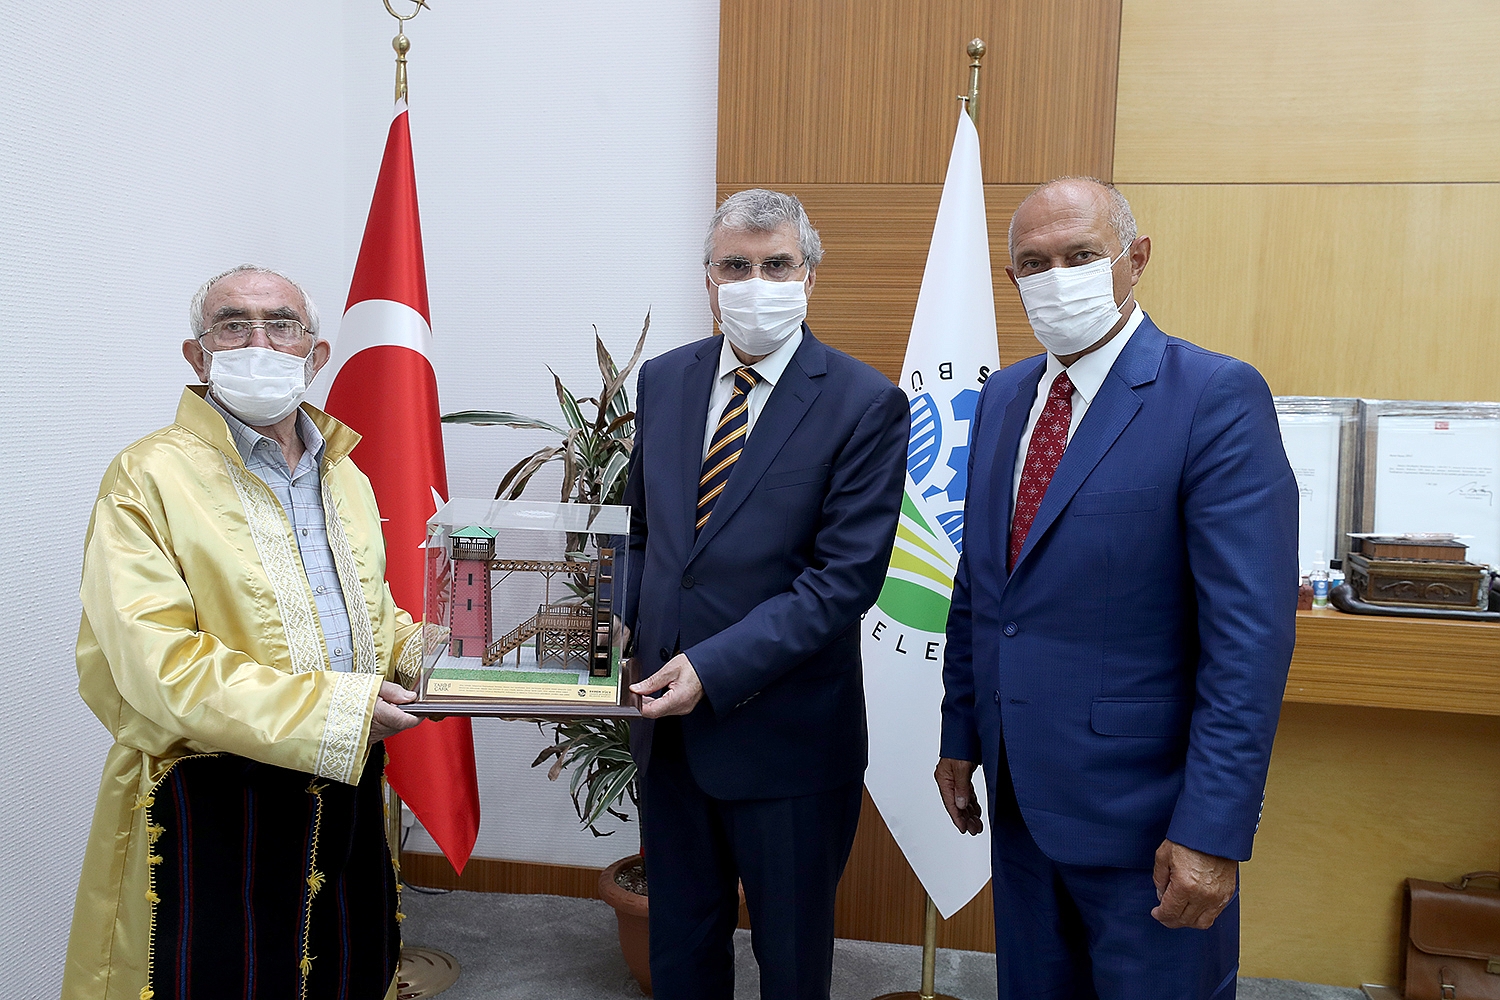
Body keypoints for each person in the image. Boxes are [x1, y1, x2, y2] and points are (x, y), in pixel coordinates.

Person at [935, 178, 1298, 999]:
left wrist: (1212, 831)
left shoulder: (1214, 396)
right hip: (1021, 807)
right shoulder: (1002, 398)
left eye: (1080, 255)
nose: (1055, 277)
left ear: (1135, 259)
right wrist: (961, 732)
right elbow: (981, 591)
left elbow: (1248, 643)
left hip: (1151, 829)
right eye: (1034, 263)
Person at [64, 265, 426, 1000]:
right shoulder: (146, 476)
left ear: (314, 354)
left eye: (281, 325)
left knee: (350, 970)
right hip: (212, 799)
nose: (259, 343)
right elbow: (157, 665)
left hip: (348, 780)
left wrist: (445, 662)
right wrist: (339, 710)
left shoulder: (345, 475)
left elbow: (370, 614)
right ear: (198, 356)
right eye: (233, 325)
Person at [621, 189, 910, 999]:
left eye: (777, 265)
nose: (756, 283)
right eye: (735, 266)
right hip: (668, 735)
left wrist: (711, 668)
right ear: (708, 279)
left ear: (810, 275)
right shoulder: (666, 380)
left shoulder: (865, 402)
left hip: (789, 742)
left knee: (790, 965)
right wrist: (620, 630)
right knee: (681, 955)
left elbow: (841, 582)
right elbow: (641, 533)